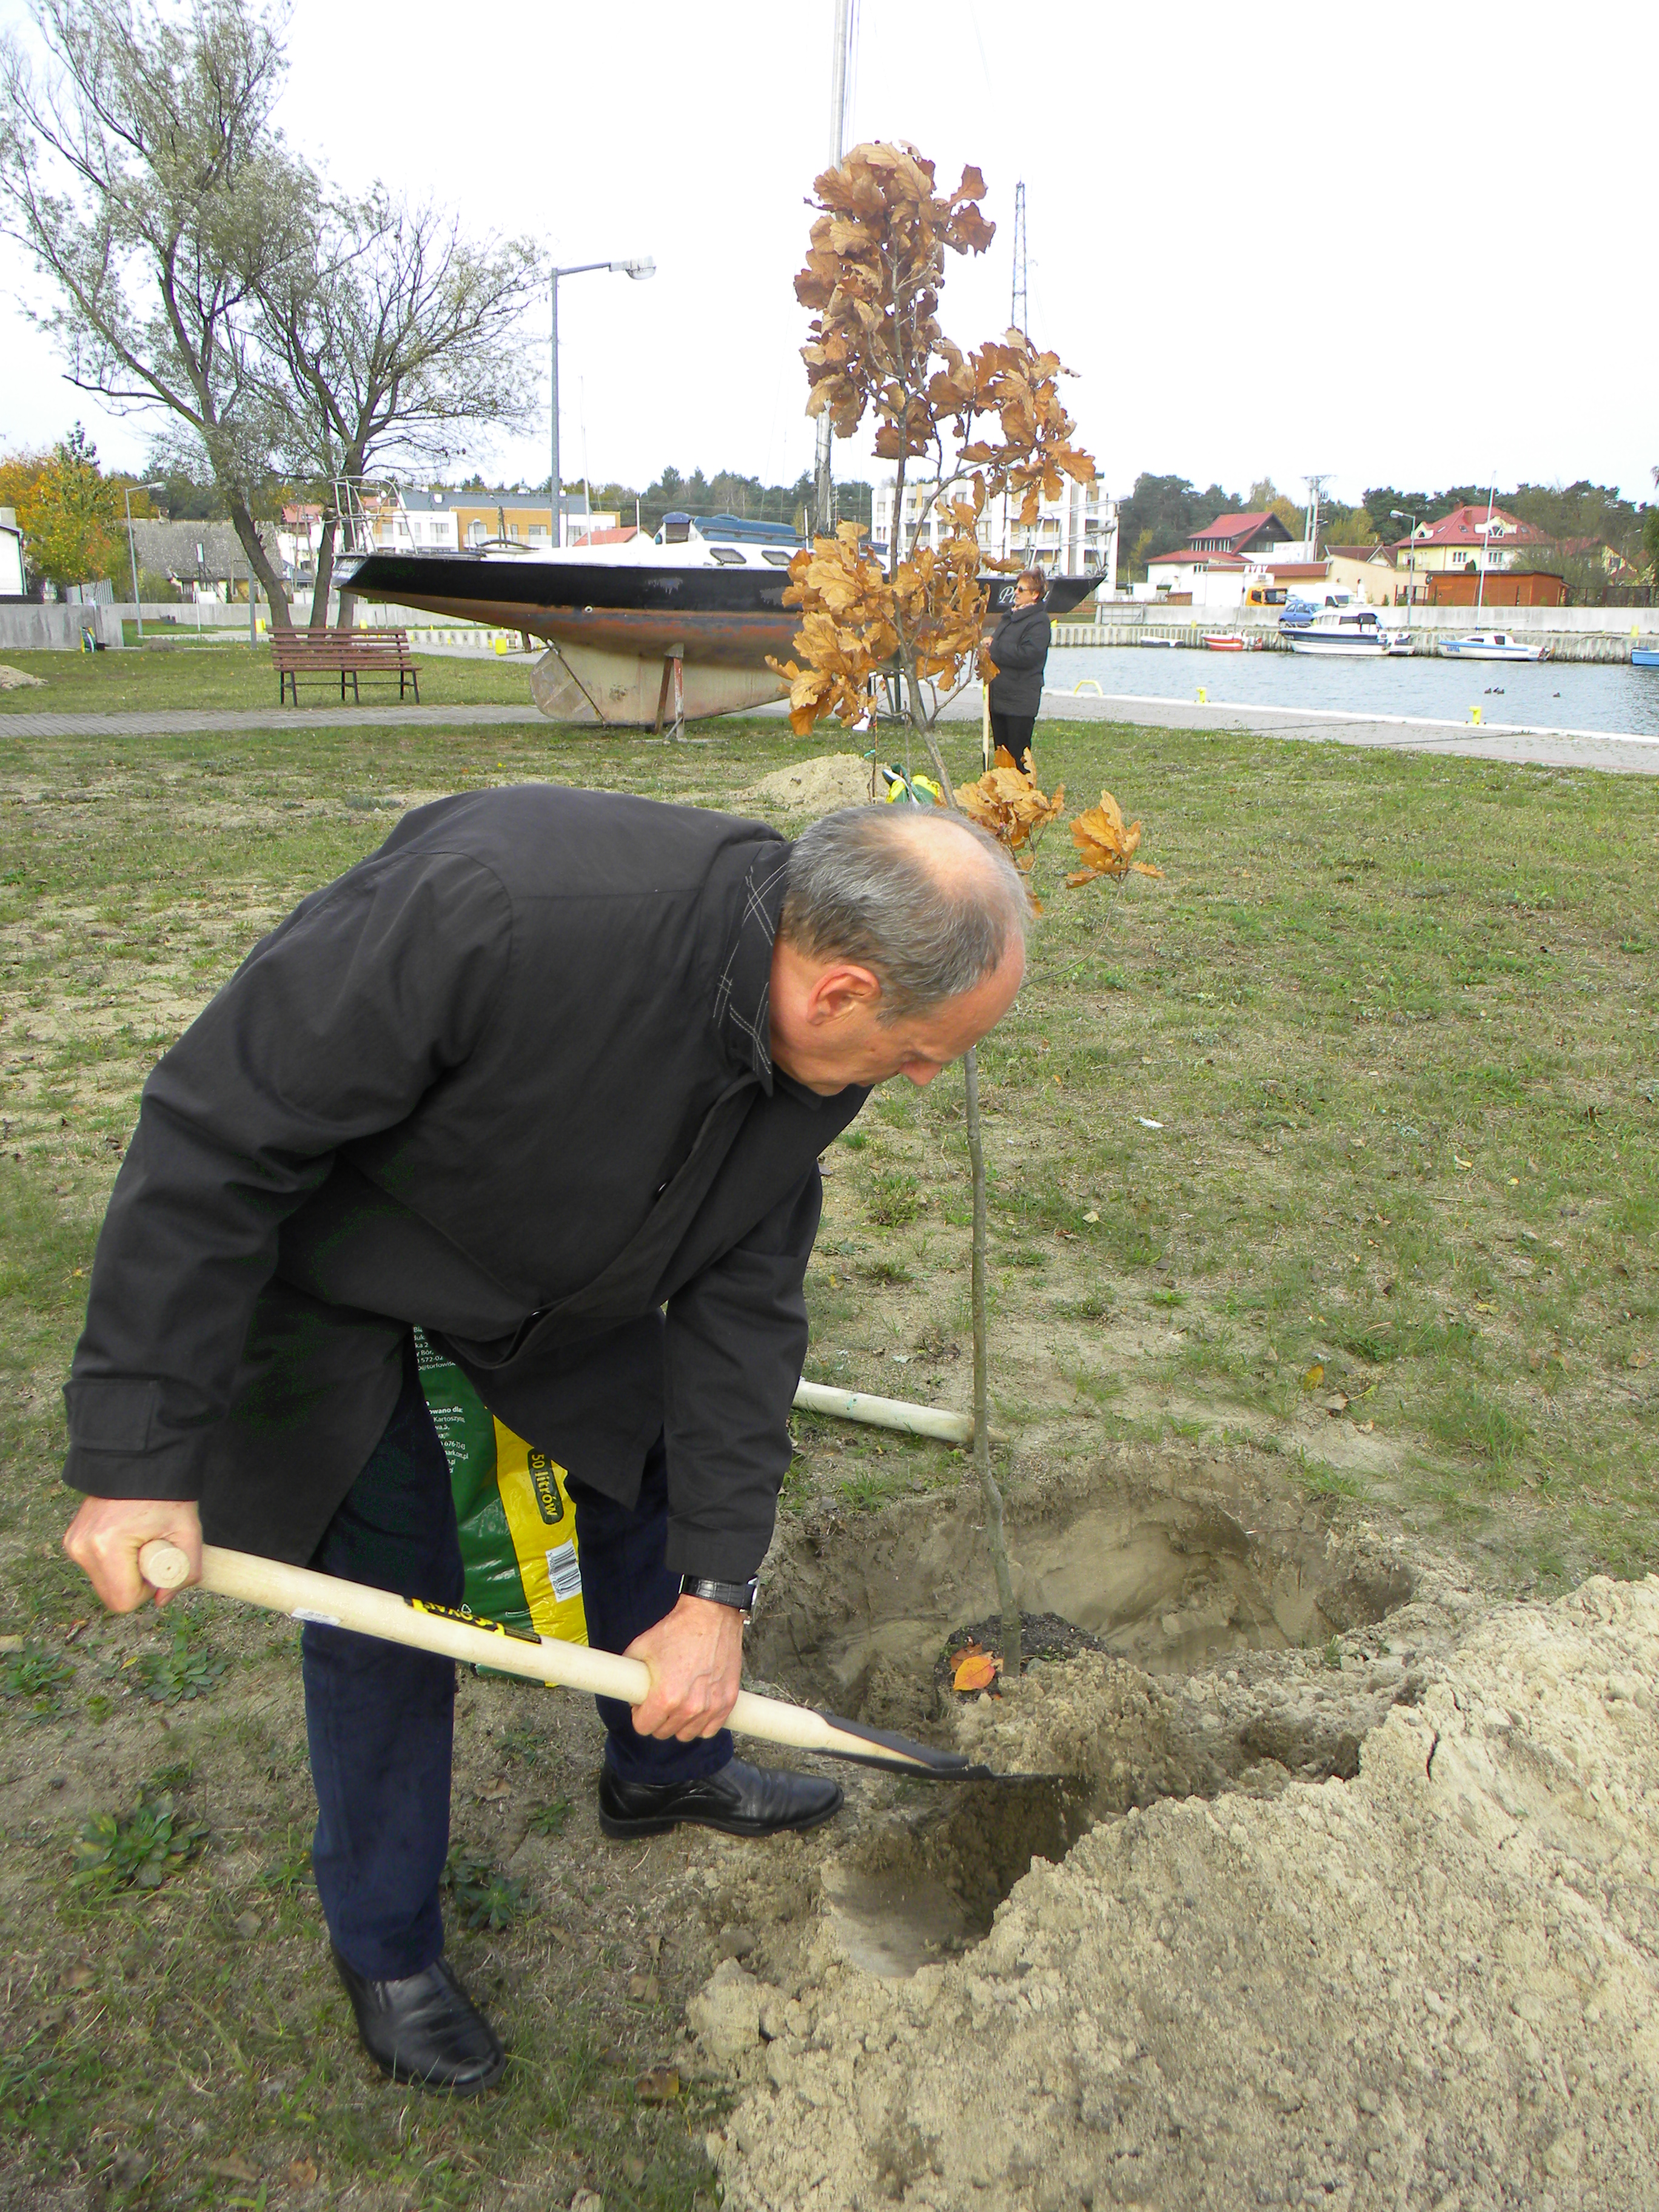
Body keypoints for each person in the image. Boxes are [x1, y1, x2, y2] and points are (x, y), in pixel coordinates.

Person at [60, 789, 1028, 2094]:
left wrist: (717, 1594)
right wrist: (135, 1454)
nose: (919, 1081)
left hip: (567, 1275)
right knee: (391, 1598)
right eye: (918, 1052)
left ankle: (665, 1766)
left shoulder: (819, 1049)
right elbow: (218, 1130)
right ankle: (388, 1944)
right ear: (840, 991)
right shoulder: (497, 910)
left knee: (646, 1465)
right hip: (352, 1275)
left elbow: (744, 1311)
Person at [986, 567, 1052, 776]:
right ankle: (1003, 792)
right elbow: (998, 647)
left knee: (1018, 758)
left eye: (1021, 589)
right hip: (1000, 699)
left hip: (1020, 703)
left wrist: (995, 648)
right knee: (1002, 756)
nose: (1015, 592)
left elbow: (1028, 655)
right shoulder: (1010, 617)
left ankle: (1023, 793)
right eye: (1016, 587)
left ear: (1035, 594)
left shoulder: (1039, 622)